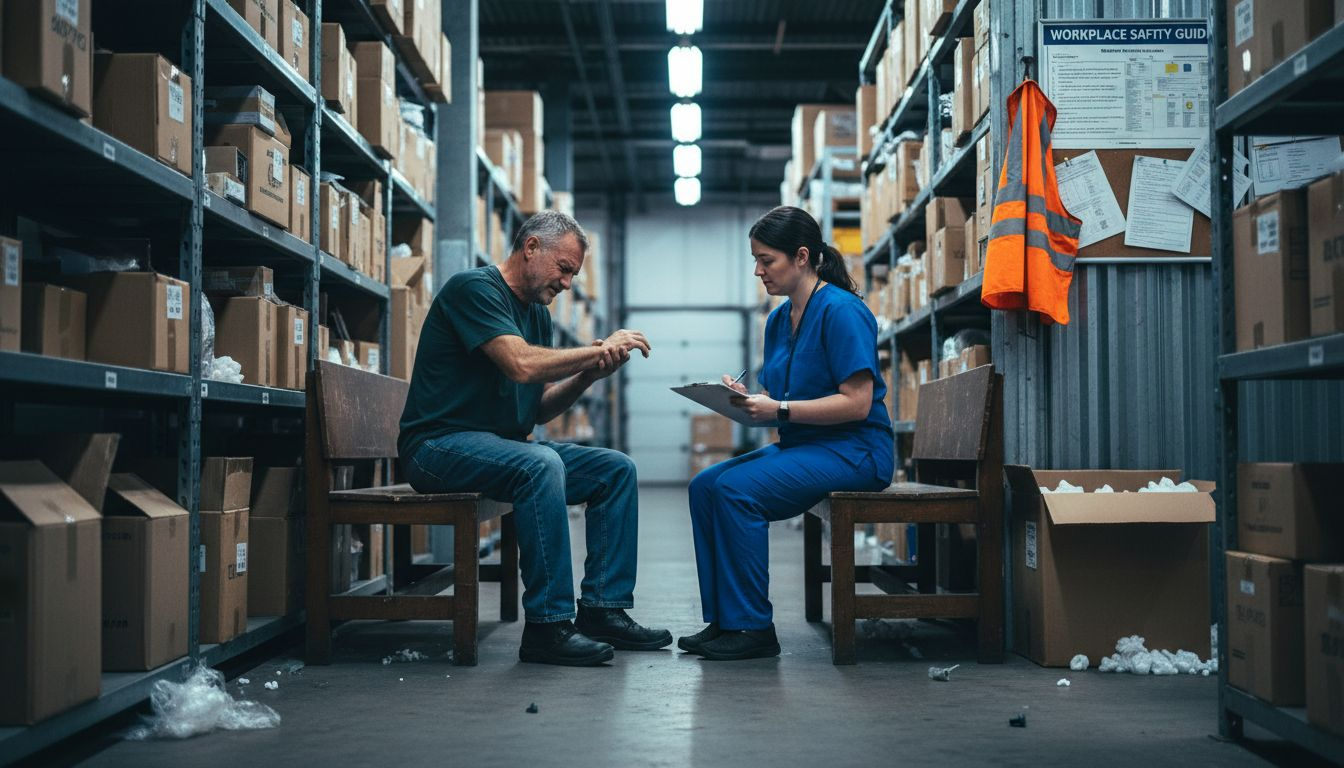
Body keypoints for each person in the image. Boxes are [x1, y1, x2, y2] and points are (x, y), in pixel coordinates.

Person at [398, 210, 671, 667]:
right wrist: (599, 347)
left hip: (496, 448)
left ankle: (602, 609)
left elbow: (538, 406)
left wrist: (589, 372)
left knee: (615, 469)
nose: (567, 284)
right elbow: (520, 365)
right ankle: (548, 626)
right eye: (564, 269)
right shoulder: (475, 289)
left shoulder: (537, 316)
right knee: (541, 464)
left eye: (574, 275)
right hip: (435, 448)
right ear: (531, 248)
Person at [681, 206, 895, 661]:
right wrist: (742, 398)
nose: (758, 271)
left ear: (802, 257)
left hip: (856, 452)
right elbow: (781, 398)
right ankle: (723, 619)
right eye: (755, 260)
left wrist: (776, 407)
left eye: (767, 260)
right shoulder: (778, 321)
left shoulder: (842, 311)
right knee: (704, 486)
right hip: (806, 447)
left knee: (737, 490)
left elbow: (857, 402)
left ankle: (753, 627)